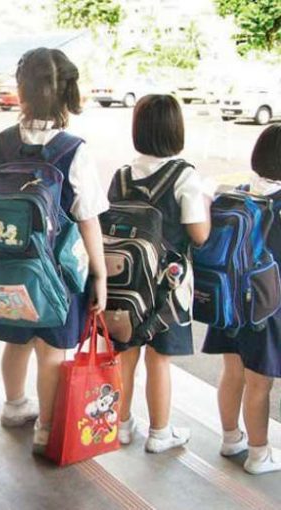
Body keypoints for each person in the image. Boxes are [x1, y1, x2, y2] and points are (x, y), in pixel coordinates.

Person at [0, 48, 108, 453]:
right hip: (57, 274)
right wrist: (100, 275)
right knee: (52, 351)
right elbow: (87, 218)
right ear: (68, 93)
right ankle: (46, 429)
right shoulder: (74, 151)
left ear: (21, 92)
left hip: (7, 269)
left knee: (16, 342)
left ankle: (15, 405)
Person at [116, 95, 211, 453]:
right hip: (168, 288)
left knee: (126, 353)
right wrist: (206, 202)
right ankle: (159, 433)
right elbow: (199, 235)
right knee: (159, 359)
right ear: (175, 129)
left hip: (125, 283)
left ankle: (120, 425)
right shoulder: (184, 176)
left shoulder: (122, 175)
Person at [203, 124, 281, 474]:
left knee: (232, 372)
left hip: (229, 301)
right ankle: (259, 454)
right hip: (265, 307)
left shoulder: (239, 195)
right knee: (259, 382)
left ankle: (231, 437)